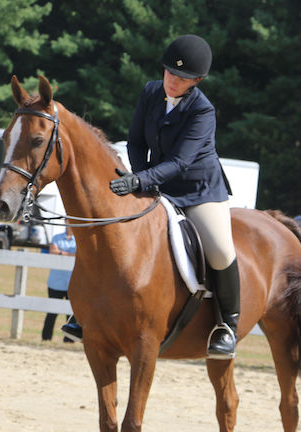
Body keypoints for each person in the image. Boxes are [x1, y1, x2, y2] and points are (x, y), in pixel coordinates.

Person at [109, 34, 240, 359]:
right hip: (158, 184)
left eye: (181, 78)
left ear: (196, 81)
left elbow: (181, 162)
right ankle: (92, 310)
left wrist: (142, 179)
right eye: (169, 73)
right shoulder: (151, 92)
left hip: (198, 191)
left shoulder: (202, 110)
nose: (172, 81)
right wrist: (140, 179)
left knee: (221, 250)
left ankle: (228, 325)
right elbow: (136, 143)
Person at [41, 224, 76, 342]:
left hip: (72, 283)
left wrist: (61, 253)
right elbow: (52, 251)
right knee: (51, 313)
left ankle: (69, 340)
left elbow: (79, 255)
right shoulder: (56, 237)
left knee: (71, 315)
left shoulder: (78, 239)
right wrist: (69, 254)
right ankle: (46, 338)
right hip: (56, 282)